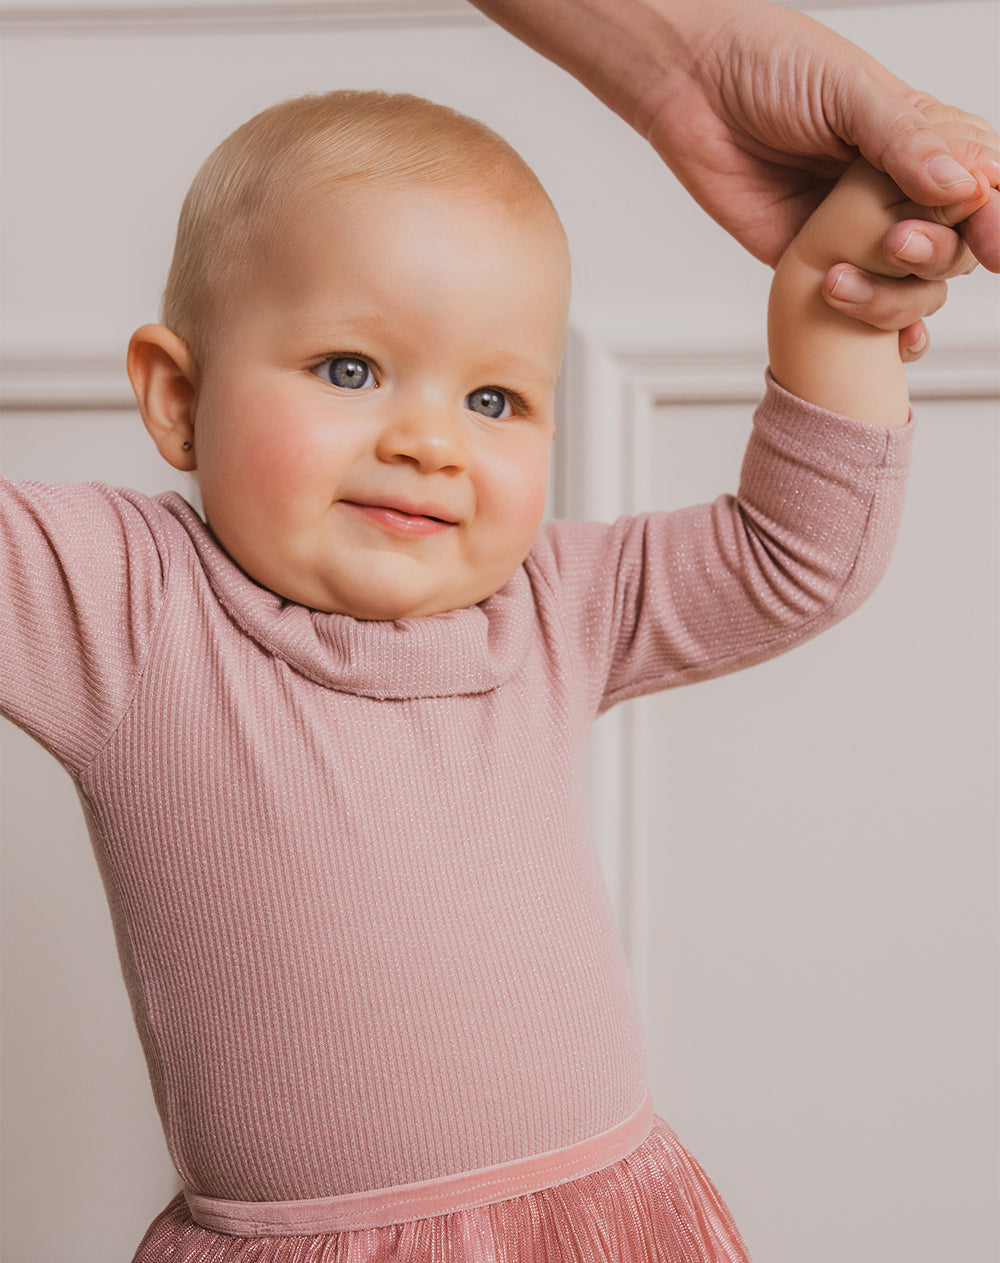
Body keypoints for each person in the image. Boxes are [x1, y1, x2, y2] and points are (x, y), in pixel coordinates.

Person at [0, 72, 992, 1260]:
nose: (431, 442)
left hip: (606, 1221)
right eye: (350, 369)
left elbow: (793, 559)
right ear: (178, 396)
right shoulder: (124, 603)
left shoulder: (550, 604)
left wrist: (833, 316)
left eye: (493, 397)